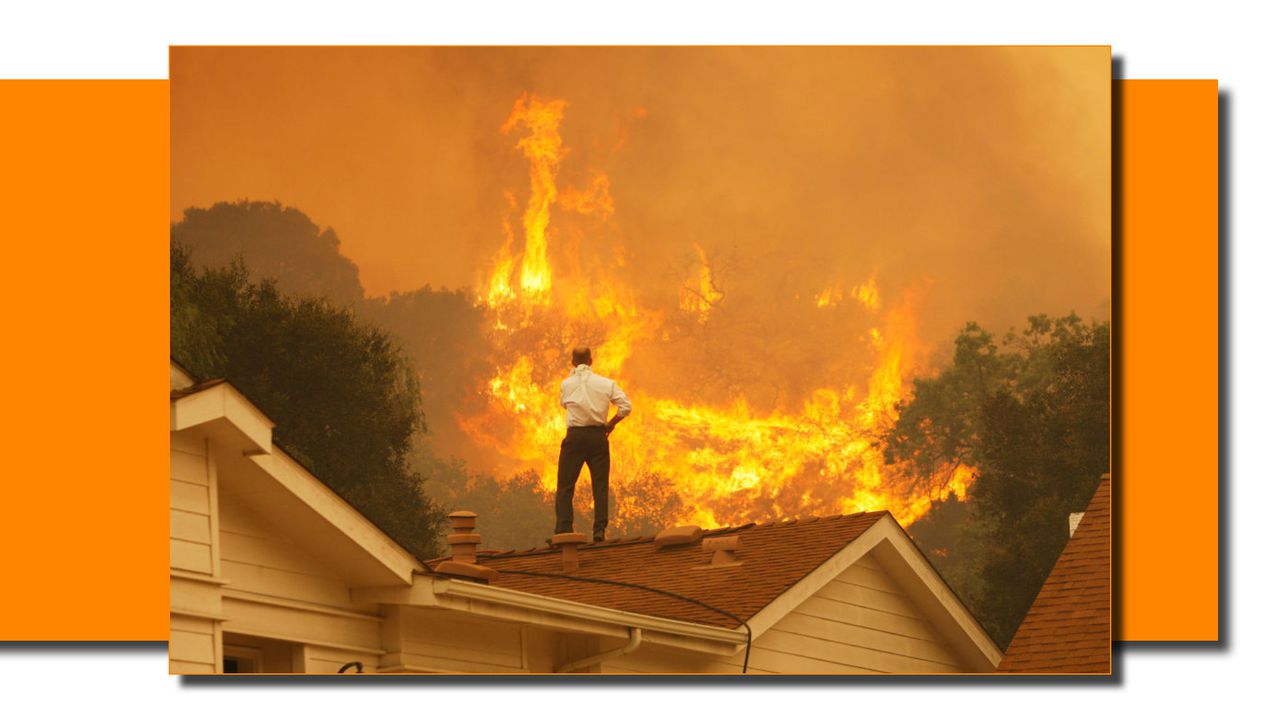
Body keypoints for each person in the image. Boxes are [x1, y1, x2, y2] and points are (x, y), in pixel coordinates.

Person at [555, 346, 631, 542]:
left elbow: (565, 404)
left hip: (575, 437)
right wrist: (611, 424)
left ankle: (564, 531)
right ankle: (599, 531)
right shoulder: (606, 383)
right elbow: (626, 407)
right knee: (600, 486)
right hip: (598, 437)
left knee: (565, 486)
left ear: (572, 362)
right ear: (591, 360)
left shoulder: (566, 384)